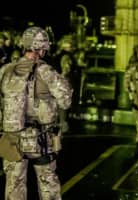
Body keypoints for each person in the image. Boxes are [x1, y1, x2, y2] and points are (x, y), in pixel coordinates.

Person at [0, 26, 73, 200]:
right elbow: (66, 100)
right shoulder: (45, 71)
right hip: (40, 140)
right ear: (41, 48)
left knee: (14, 186)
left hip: (12, 139)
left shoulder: (5, 71)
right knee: (48, 185)